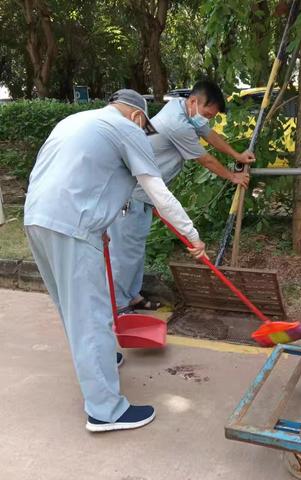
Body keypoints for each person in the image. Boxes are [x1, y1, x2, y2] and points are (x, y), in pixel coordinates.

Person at [24, 89, 206, 432]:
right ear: (138, 117)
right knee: (91, 315)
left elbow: (78, 177)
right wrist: (193, 238)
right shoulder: (129, 129)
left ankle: (102, 361)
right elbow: (158, 193)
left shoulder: (75, 120)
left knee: (72, 308)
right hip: (73, 227)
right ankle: (105, 410)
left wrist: (100, 225)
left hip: (37, 218)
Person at [109, 80, 255, 312]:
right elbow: (204, 158)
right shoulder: (176, 123)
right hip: (134, 194)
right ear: (194, 101)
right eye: (207, 113)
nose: (206, 119)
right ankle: (118, 307)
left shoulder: (182, 108)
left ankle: (132, 296)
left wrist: (237, 155)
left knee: (135, 249)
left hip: (146, 194)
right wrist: (232, 176)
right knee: (124, 252)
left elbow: (209, 135)